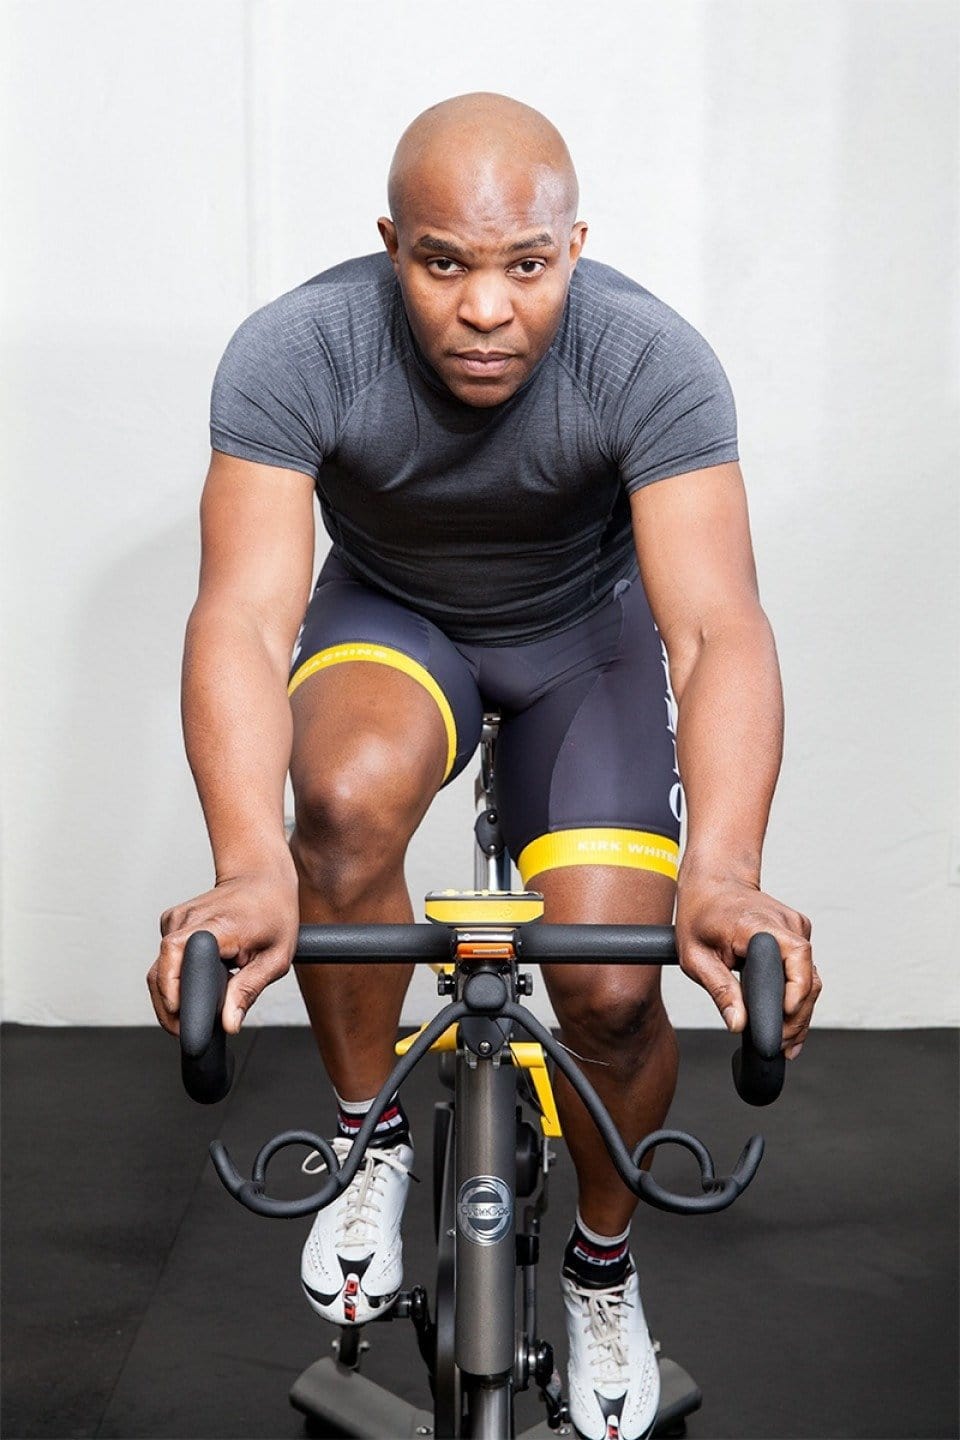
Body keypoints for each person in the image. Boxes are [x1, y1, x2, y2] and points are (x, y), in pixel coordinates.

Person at [147, 92, 819, 1440]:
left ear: (578, 247)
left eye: (529, 265)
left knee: (612, 990)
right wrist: (248, 864)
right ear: (391, 245)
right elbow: (246, 617)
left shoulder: (650, 358)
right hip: (394, 624)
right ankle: (372, 1135)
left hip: (586, 646)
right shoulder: (299, 348)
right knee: (339, 808)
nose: (487, 309)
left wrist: (727, 871)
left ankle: (602, 1271)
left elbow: (712, 626)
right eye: (444, 263)